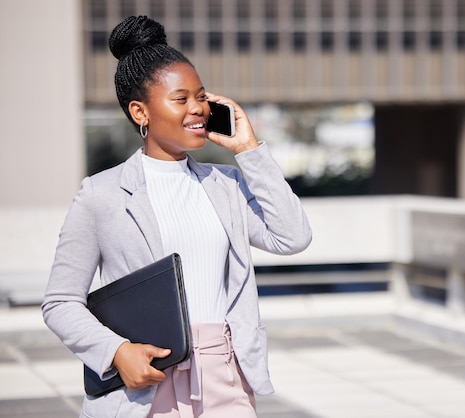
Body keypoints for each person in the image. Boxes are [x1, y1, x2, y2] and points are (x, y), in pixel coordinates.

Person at [41, 15, 312, 418]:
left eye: (201, 96)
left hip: (225, 376)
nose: (198, 109)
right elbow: (60, 301)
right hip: (144, 380)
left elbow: (292, 237)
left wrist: (249, 150)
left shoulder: (227, 184)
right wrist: (116, 353)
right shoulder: (101, 195)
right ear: (140, 112)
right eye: (181, 99)